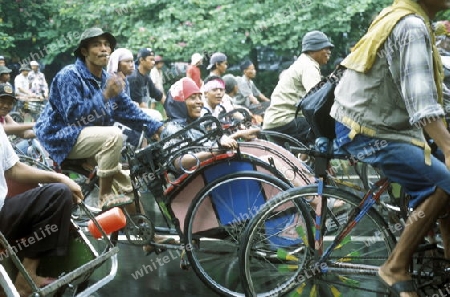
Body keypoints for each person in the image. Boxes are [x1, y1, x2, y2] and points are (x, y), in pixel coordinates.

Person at [330, 0, 450, 296]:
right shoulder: (411, 26)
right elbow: (423, 104)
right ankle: (395, 266)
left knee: (443, 181)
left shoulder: (410, 17)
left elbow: (437, 91)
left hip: (382, 125)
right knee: (448, 181)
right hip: (369, 131)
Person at [34, 28, 164, 211]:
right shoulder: (69, 75)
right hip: (61, 136)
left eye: (106, 45)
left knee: (127, 184)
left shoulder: (108, 79)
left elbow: (129, 111)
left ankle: (145, 236)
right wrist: (105, 96)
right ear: (84, 51)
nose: (103, 49)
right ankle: (104, 197)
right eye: (96, 45)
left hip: (94, 139)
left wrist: (158, 128)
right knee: (113, 135)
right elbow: (74, 116)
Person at [0, 83, 83, 296]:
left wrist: (60, 177)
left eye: (9, 102)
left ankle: (26, 277)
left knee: (58, 194)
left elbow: (15, 169)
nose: (5, 105)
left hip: (3, 213)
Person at [161, 77, 258, 172]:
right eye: (193, 98)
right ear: (180, 103)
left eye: (200, 97)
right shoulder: (173, 129)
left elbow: (213, 146)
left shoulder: (196, 125)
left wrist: (238, 135)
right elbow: (178, 163)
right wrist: (213, 152)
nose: (200, 102)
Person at [263, 30, 333, 145]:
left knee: (318, 128)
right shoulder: (309, 66)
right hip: (284, 122)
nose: (329, 52)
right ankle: (319, 161)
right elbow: (318, 100)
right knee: (328, 129)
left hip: (275, 122)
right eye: (326, 48)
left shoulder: (302, 63)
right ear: (313, 49)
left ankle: (307, 160)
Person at [127, 48, 164, 121]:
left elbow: (158, 95)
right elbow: (139, 104)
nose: (153, 62)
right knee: (156, 116)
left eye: (154, 60)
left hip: (141, 113)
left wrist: (171, 109)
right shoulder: (134, 78)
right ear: (141, 60)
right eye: (151, 60)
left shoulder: (146, 77)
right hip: (131, 115)